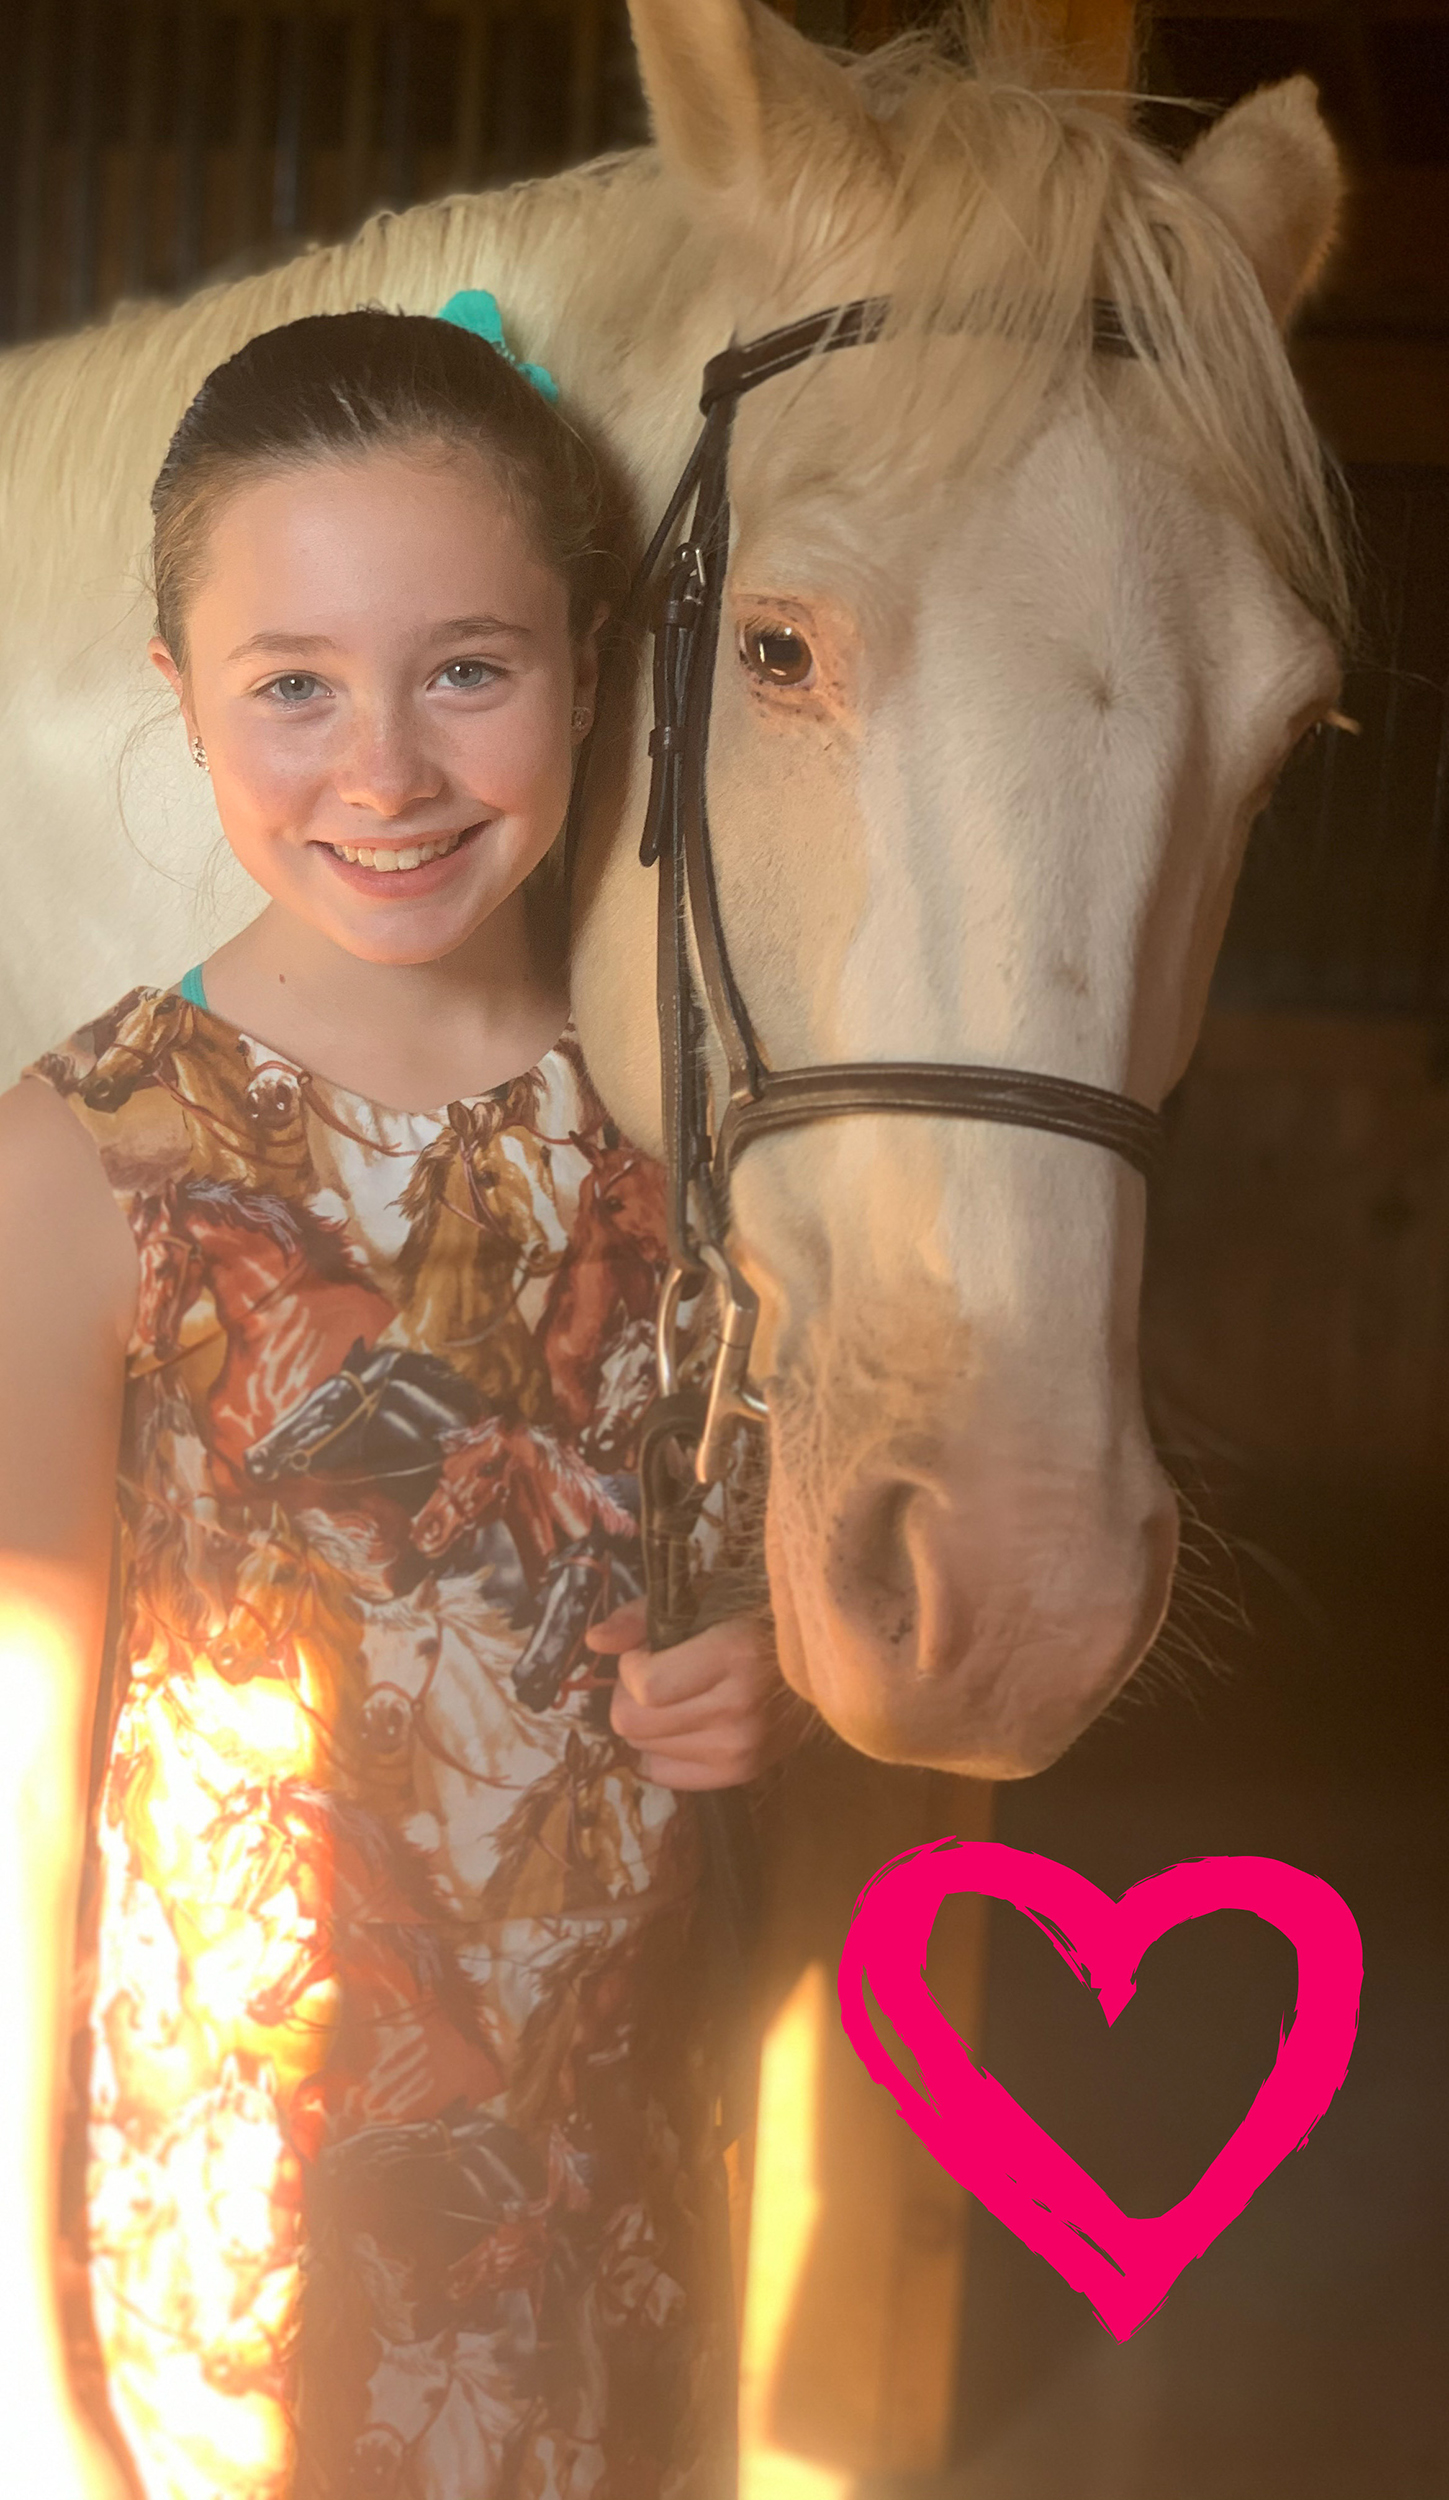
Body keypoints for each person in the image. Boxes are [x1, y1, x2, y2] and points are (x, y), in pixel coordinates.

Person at [0, 305, 793, 2500]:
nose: (385, 772)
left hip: (621, 2176)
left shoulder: (688, 1127)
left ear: (588, 658)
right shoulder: (82, 1167)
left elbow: (712, 1559)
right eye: (292, 685)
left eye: (466, 666)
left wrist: (757, 1669)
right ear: (181, 694)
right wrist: (17, 2354)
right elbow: (14, 1799)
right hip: (240, 2236)